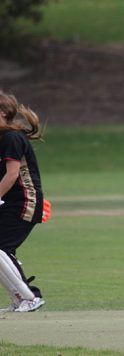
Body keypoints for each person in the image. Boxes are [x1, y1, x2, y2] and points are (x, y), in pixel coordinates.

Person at [0, 92, 48, 313]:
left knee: (2, 247)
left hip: (24, 202)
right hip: (12, 202)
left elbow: (12, 175)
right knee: (4, 249)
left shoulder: (11, 138)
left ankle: (30, 298)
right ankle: (22, 298)